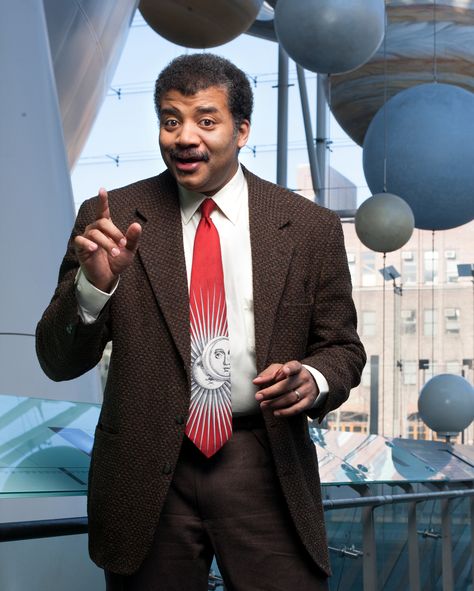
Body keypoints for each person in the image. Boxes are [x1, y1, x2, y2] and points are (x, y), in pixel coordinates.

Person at [36, 53, 366, 590]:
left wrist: (316, 378)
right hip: (145, 469)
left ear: (242, 130)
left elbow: (342, 348)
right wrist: (94, 288)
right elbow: (56, 360)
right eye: (171, 120)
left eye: (205, 121)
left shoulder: (310, 228)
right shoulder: (111, 220)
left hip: (264, 459)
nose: (184, 137)